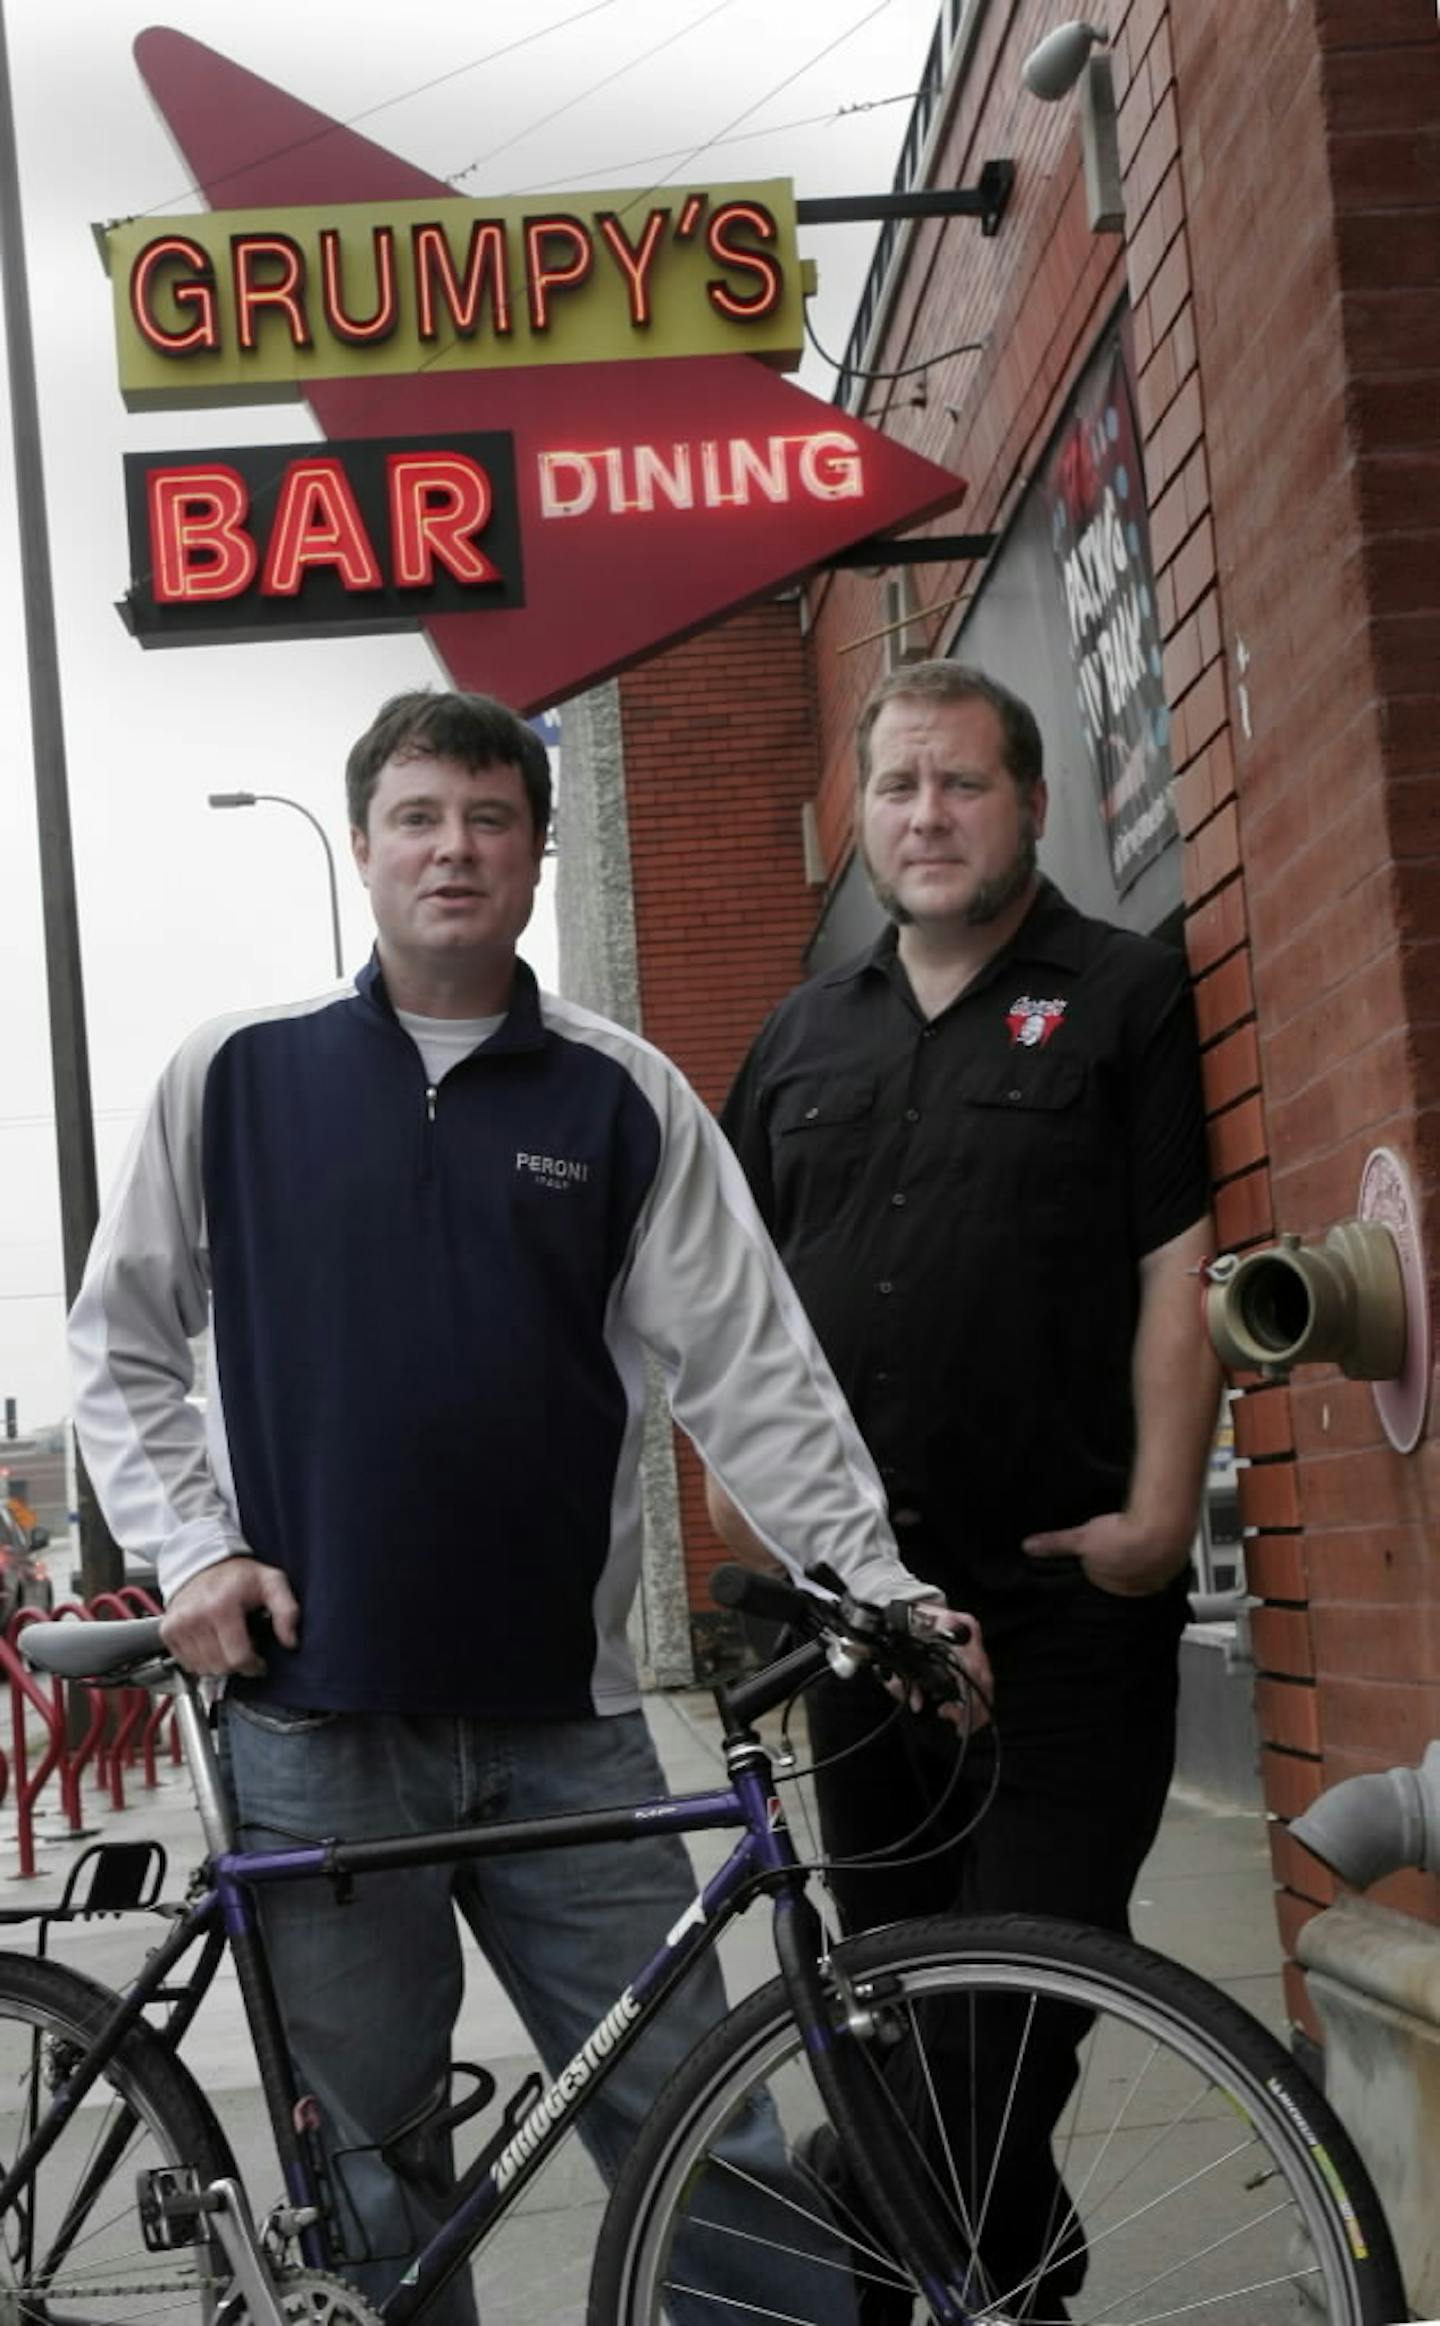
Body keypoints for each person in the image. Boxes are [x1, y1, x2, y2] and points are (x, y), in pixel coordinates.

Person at [68, 687, 986, 2326]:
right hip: (318, 1723)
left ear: (539, 851)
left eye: (493, 819)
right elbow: (119, 1342)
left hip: (572, 1725)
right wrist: (196, 1547)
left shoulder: (619, 1097)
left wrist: (877, 1578)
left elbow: (754, 1366)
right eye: (419, 816)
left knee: (712, 2131)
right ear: (363, 846)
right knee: (374, 2179)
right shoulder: (236, 1076)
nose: (455, 849)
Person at [710, 658, 1220, 2317]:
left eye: (963, 783)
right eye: (901, 788)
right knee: (895, 2001)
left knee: (1011, 2003)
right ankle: (1002, 2289)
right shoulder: (801, 1033)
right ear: (862, 819)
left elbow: (1175, 1267)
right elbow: (727, 1303)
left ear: (1032, 804)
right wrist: (736, 1488)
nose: (928, 816)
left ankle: (872, 2270)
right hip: (867, 1630)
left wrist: (1160, 1513)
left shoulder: (1128, 993)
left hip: (1067, 1605)